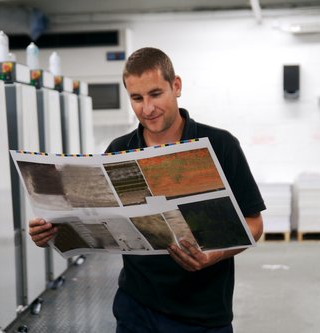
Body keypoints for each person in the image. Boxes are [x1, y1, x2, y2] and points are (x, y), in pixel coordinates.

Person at [29, 47, 265, 333]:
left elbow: (253, 224)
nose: (147, 108)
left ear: (176, 86)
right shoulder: (119, 151)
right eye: (136, 98)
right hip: (135, 309)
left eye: (155, 94)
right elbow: (94, 222)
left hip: (202, 314)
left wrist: (212, 256)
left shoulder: (220, 145)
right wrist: (52, 232)